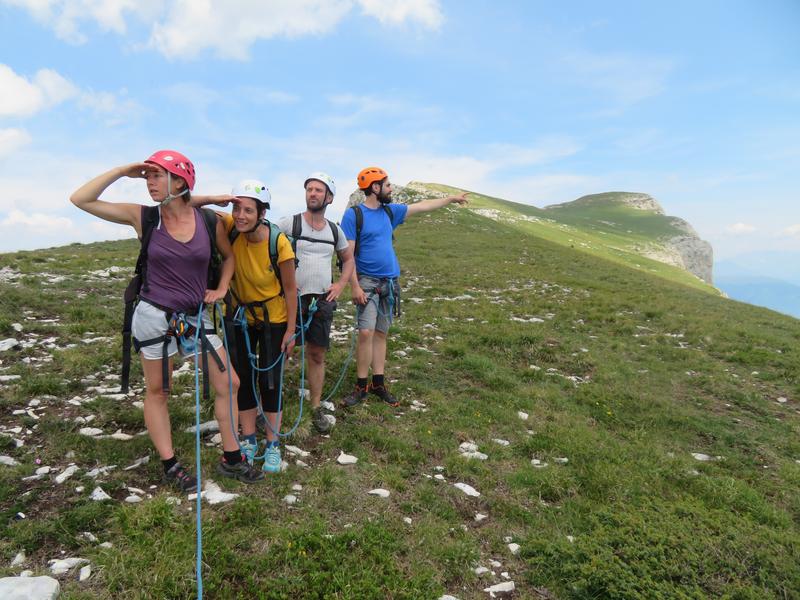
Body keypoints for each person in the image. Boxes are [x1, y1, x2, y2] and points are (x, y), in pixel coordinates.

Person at [69, 150, 263, 490]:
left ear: (180, 180)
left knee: (228, 383)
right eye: (147, 177)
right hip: (153, 316)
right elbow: (81, 199)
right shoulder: (143, 217)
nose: (149, 183)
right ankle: (170, 464)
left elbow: (229, 256)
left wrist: (221, 287)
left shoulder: (208, 221)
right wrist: (121, 169)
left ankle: (232, 457)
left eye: (157, 176)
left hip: (194, 317)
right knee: (159, 390)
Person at [340, 167, 468, 407]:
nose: (391, 189)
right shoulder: (353, 215)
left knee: (381, 333)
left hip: (390, 282)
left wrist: (450, 199)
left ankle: (378, 383)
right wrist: (354, 287)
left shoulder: (390, 212)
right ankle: (360, 386)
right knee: (365, 332)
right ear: (375, 188)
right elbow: (348, 256)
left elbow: (422, 206)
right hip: (366, 282)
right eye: (387, 185)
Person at [194, 180, 297, 473]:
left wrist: (291, 331)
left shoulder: (279, 243)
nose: (240, 215)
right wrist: (218, 198)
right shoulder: (230, 227)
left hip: (273, 319)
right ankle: (248, 439)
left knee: (270, 381)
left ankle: (273, 444)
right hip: (238, 315)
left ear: (261, 214)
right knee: (242, 379)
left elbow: (291, 290)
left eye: (248, 210)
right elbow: (188, 203)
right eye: (237, 208)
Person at [276, 173, 354, 434]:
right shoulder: (289, 224)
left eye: (318, 190)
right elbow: (267, 247)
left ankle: (315, 405)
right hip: (291, 299)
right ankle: (272, 402)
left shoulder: (335, 231)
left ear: (329, 197)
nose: (312, 193)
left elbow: (348, 258)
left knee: (317, 353)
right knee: (283, 350)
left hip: (321, 301)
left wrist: (341, 283)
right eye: (309, 189)